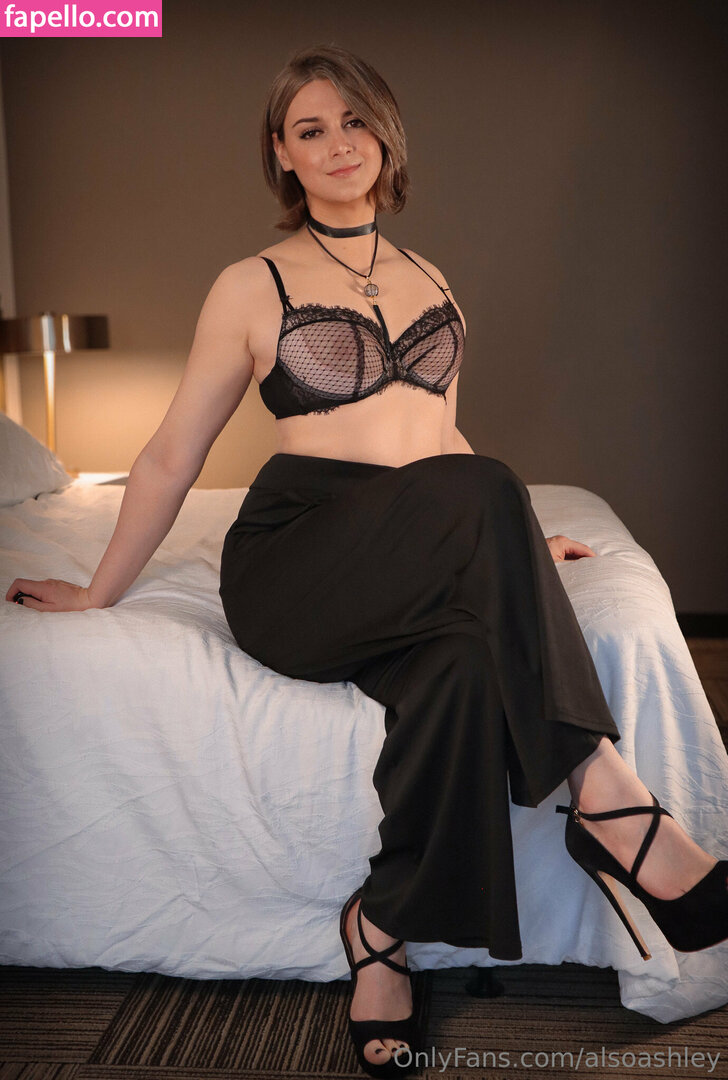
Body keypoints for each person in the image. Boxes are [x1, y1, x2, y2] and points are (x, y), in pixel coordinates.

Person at [6, 44, 727, 1080]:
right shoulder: (250, 284)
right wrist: (97, 591)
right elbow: (171, 454)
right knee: (488, 491)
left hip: (409, 545)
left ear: (385, 135)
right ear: (281, 155)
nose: (338, 144)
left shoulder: (430, 278)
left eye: (354, 121)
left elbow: (443, 445)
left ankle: (376, 931)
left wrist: (511, 547)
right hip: (298, 560)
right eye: (311, 129)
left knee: (464, 666)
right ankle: (610, 799)